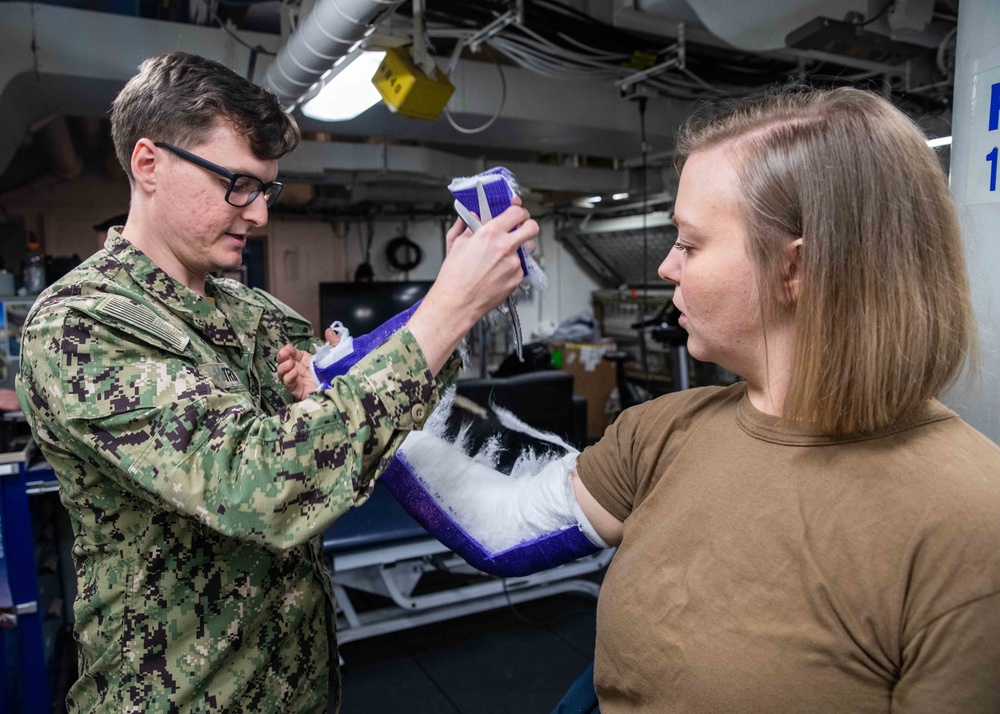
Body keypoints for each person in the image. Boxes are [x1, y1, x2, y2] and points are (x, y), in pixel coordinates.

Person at [286, 85, 1000, 712]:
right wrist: (358, 394)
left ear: (797, 268)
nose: (666, 266)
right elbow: (500, 527)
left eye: (689, 244)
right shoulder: (663, 433)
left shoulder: (971, 523)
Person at [15, 51, 537, 712]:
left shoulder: (256, 314)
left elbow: (354, 443)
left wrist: (456, 296)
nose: (259, 214)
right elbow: (260, 486)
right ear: (149, 164)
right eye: (238, 184)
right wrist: (448, 309)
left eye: (266, 189)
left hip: (301, 686)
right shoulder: (78, 328)